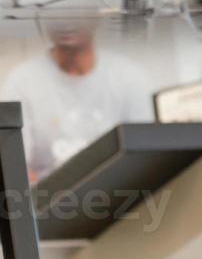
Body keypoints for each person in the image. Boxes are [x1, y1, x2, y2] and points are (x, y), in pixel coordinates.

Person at [0, 13, 152, 181]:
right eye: (55, 12)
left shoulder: (129, 76)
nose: (64, 22)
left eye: (77, 10)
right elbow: (14, 168)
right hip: (47, 199)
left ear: (98, 16)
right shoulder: (22, 81)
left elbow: (144, 155)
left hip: (118, 190)